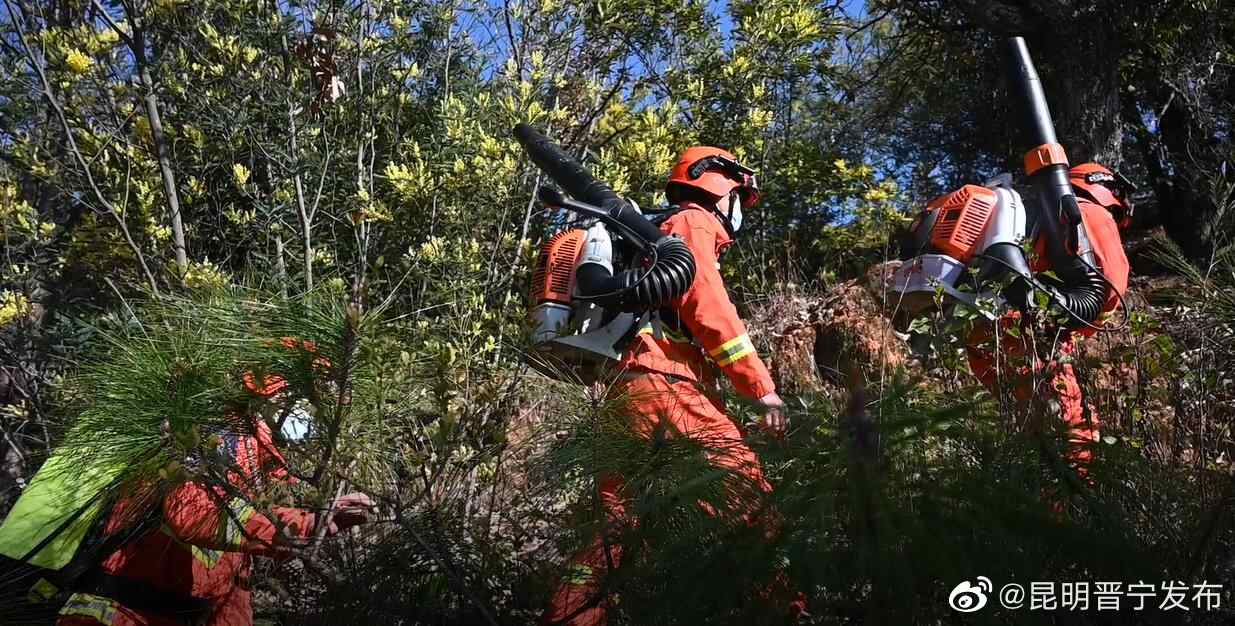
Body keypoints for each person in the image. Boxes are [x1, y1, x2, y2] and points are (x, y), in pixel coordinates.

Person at [543, 147, 804, 625]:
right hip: (668, 381)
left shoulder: (657, 230)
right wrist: (761, 388)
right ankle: (787, 613)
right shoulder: (693, 223)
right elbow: (706, 304)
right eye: (741, 199)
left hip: (628, 385)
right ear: (722, 187)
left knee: (614, 526)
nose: (740, 211)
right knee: (744, 497)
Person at [56, 338, 374, 626]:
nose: (316, 418)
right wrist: (305, 525)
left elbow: (230, 582)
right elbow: (196, 516)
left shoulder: (252, 463)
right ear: (277, 391)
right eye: (310, 403)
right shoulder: (204, 436)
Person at [966, 163, 1133, 475]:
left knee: (1031, 429)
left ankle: (1028, 504)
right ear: (1102, 186)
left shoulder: (1045, 217)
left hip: (990, 328)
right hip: (1033, 335)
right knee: (1067, 434)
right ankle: (1065, 512)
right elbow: (1107, 288)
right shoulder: (1090, 213)